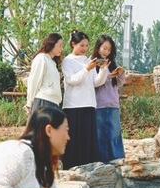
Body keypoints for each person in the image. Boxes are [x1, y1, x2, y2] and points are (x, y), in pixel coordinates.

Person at [61, 30, 108, 169]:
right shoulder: (67, 61)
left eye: (87, 45)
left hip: (89, 103)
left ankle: (89, 168)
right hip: (73, 105)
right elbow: (72, 80)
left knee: (88, 139)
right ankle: (71, 168)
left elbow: (95, 82)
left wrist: (104, 70)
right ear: (73, 44)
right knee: (73, 139)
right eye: (81, 45)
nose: (85, 48)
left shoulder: (88, 61)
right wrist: (87, 69)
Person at [91, 35, 126, 162]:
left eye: (109, 50)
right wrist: (107, 75)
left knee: (115, 134)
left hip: (113, 104)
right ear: (98, 47)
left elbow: (119, 83)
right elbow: (94, 82)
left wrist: (120, 74)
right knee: (100, 135)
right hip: (99, 104)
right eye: (104, 48)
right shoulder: (92, 63)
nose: (106, 52)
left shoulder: (112, 64)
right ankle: (102, 162)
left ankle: (117, 160)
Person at [25, 33, 63, 115]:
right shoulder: (41, 58)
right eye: (60, 45)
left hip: (54, 103)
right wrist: (29, 103)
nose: (61, 49)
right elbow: (34, 81)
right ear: (52, 44)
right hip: (43, 102)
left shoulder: (52, 62)